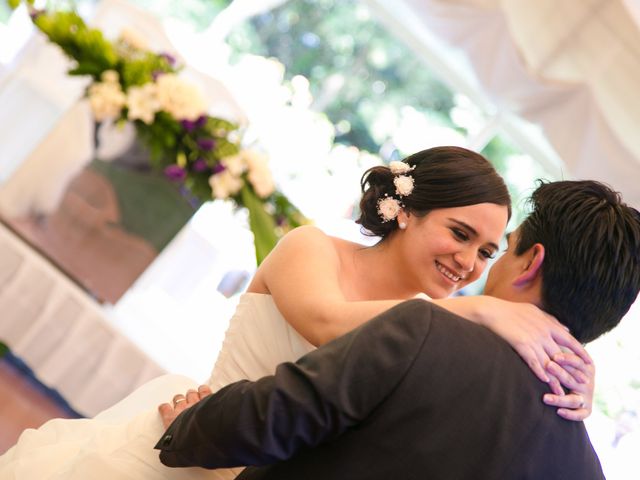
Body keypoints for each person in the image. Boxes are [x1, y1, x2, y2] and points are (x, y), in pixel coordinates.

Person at [0, 147, 591, 479]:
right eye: (459, 234)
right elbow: (325, 322)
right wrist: (481, 312)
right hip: (181, 444)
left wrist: (579, 376)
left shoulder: (437, 329)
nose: (467, 262)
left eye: (486, 252)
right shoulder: (312, 249)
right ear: (408, 210)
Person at [156, 180, 640, 479]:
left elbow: (278, 413)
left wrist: (195, 426)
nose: (473, 265)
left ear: (530, 262)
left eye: (497, 250)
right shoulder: (583, 468)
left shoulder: (426, 333)